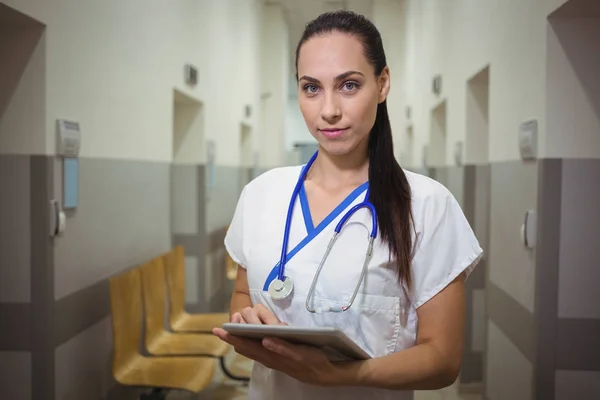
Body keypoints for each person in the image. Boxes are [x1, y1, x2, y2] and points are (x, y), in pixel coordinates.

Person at [213, 10, 483, 400]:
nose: (329, 110)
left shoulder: (426, 205)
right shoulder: (261, 194)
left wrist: (338, 375)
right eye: (311, 88)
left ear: (383, 83)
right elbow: (242, 295)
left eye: (349, 85)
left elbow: (443, 359)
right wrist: (246, 321)